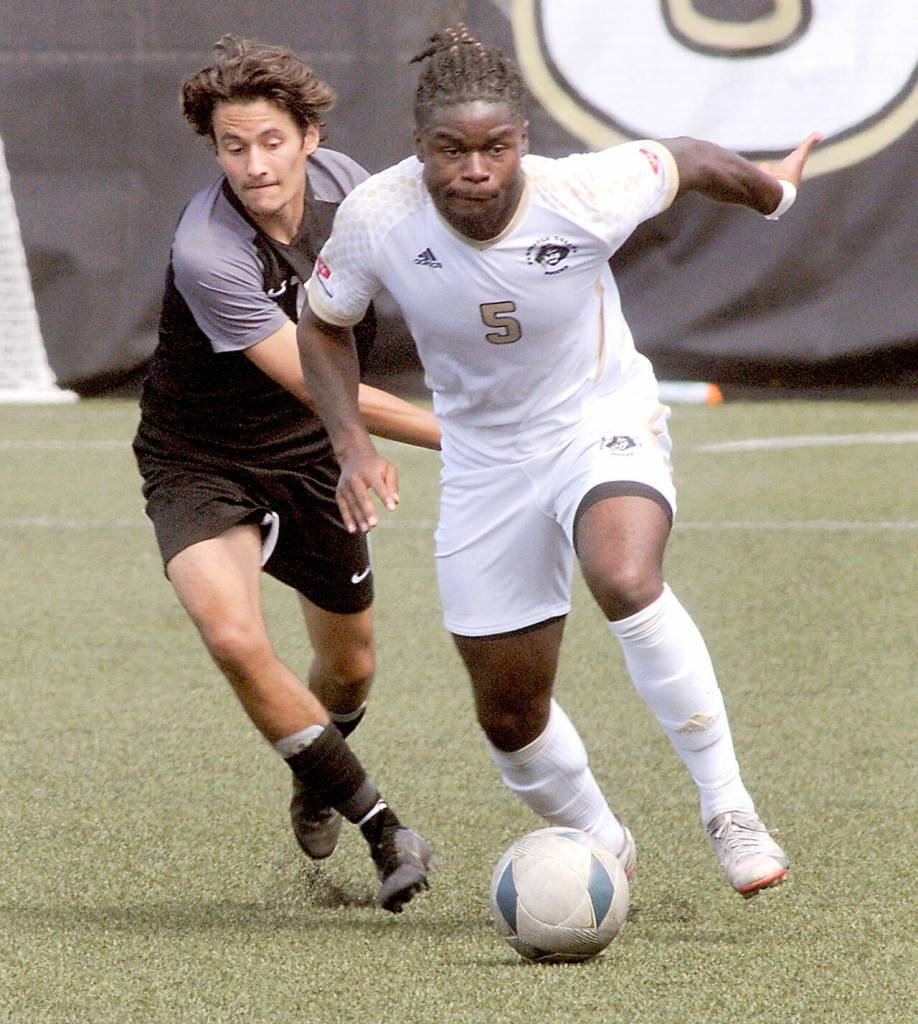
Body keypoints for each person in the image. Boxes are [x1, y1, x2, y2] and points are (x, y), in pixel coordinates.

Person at [297, 23, 820, 900]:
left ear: (523, 141)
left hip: (597, 418)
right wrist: (352, 447)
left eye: (495, 147)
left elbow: (691, 159)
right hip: (483, 459)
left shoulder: (583, 191)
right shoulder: (377, 216)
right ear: (418, 147)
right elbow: (321, 324)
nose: (475, 169)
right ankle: (602, 846)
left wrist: (776, 193)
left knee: (624, 576)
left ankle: (729, 808)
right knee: (510, 717)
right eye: (451, 149)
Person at [132, 35, 438, 913]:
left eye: (272, 141)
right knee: (234, 639)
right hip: (200, 460)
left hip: (308, 454)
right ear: (215, 149)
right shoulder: (209, 250)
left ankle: (317, 772)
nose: (255, 165)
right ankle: (384, 828)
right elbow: (315, 378)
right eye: (234, 147)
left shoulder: (351, 191)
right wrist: (466, 436)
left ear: (309, 137)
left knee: (350, 667)